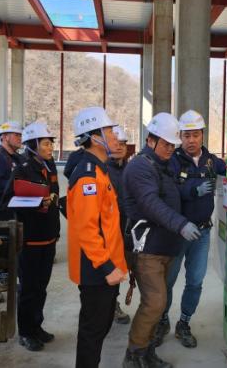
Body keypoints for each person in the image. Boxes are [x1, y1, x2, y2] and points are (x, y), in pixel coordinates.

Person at [122, 112, 202, 368]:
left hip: (164, 247)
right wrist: (181, 224)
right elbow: (150, 203)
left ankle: (146, 352)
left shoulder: (162, 165)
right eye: (166, 144)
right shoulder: (140, 167)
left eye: (172, 145)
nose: (170, 149)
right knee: (155, 302)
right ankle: (133, 355)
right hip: (148, 249)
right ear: (151, 140)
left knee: (157, 302)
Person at [154, 110, 226, 348]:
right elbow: (167, 190)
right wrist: (193, 191)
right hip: (177, 233)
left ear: (202, 135)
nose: (191, 140)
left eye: (195, 135)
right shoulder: (172, 161)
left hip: (202, 233)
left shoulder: (211, 161)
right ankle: (162, 320)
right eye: (186, 136)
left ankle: (184, 323)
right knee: (167, 281)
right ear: (180, 137)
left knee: (195, 281)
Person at [67, 107, 128, 368]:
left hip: (105, 266)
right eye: (109, 131)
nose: (115, 136)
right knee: (92, 332)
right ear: (94, 138)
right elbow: (87, 229)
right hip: (96, 270)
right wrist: (106, 267)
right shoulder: (88, 177)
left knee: (100, 328)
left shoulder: (100, 171)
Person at [10, 122, 60, 351]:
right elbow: (8, 200)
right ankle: (26, 332)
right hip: (31, 238)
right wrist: (36, 203)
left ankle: (37, 326)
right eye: (46, 144)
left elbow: (54, 194)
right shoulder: (22, 169)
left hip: (48, 236)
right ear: (33, 145)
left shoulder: (50, 166)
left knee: (41, 286)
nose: (50, 148)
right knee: (28, 288)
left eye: (50, 143)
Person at [107, 126, 132, 324]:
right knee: (109, 267)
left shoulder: (130, 169)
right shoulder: (103, 169)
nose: (120, 147)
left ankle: (112, 303)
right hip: (109, 229)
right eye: (116, 143)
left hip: (127, 226)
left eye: (123, 144)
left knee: (121, 267)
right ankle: (108, 305)